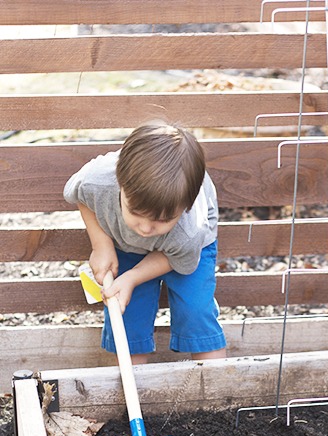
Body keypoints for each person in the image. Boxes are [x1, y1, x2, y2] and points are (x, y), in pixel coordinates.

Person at [64, 122, 227, 365]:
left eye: (161, 220)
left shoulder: (188, 230)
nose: (146, 228)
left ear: (185, 208)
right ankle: (133, 391)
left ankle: (215, 389)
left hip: (184, 251)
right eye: (136, 213)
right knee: (126, 312)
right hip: (125, 244)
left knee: (196, 311)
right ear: (120, 185)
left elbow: (177, 258)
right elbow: (80, 196)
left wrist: (131, 277)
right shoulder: (96, 181)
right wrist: (102, 245)